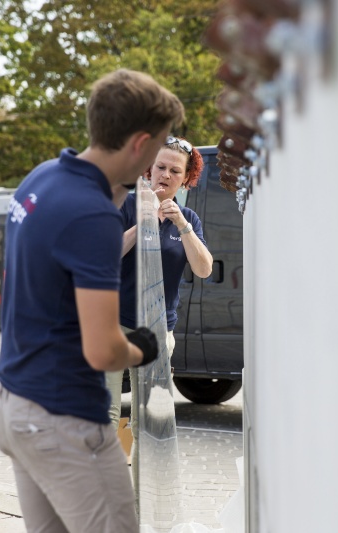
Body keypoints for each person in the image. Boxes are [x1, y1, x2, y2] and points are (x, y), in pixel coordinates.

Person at [0, 69, 184, 533]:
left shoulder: (42, 179)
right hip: (65, 421)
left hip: (16, 407)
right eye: (155, 147)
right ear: (140, 143)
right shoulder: (93, 216)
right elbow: (102, 350)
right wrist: (144, 346)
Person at [105, 136, 213, 483]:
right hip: (113, 327)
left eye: (174, 171)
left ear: (186, 179)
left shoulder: (189, 218)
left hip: (157, 332)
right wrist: (142, 223)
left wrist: (181, 226)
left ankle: (143, 504)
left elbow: (204, 269)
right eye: (160, 167)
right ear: (148, 169)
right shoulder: (125, 205)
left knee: (149, 422)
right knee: (103, 415)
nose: (165, 176)